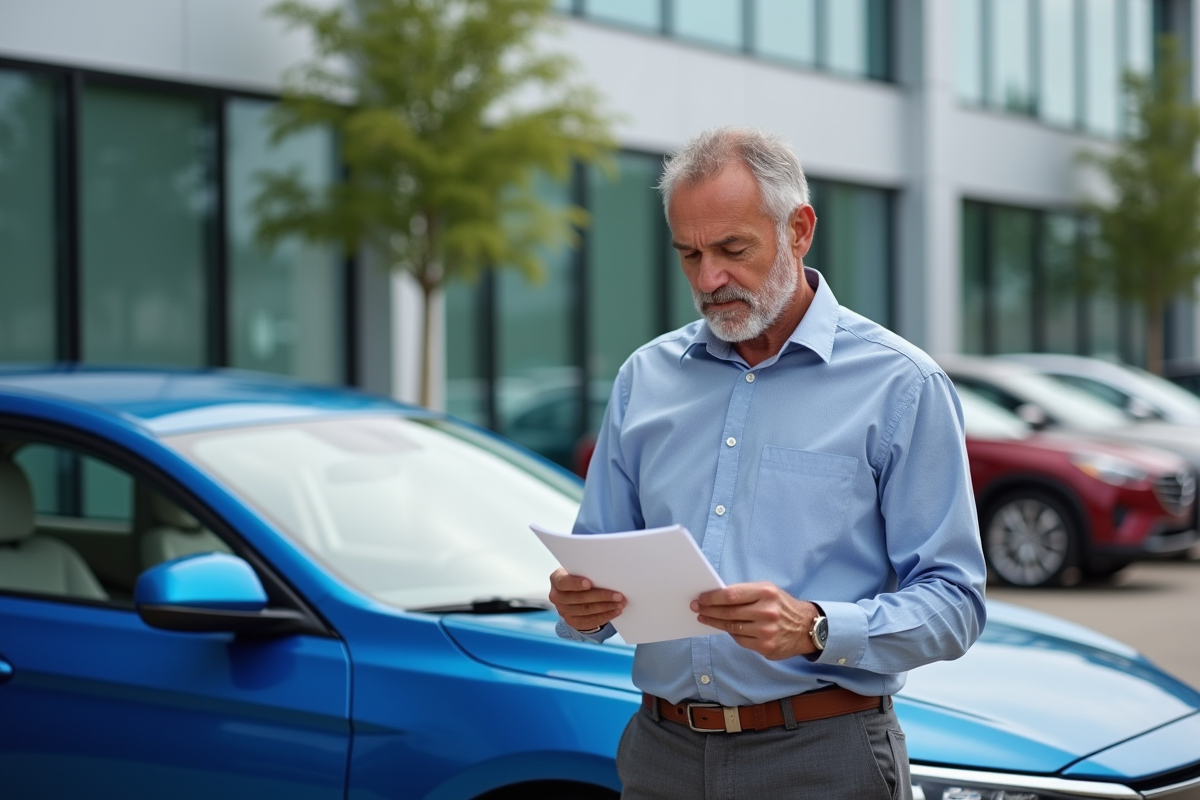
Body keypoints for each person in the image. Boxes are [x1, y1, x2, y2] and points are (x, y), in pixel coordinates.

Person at [547, 127, 987, 800]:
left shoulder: (901, 385)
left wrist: (815, 628)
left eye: (732, 249)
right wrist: (582, 605)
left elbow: (955, 603)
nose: (708, 278)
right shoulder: (645, 378)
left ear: (799, 229)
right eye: (689, 254)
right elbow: (601, 569)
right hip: (659, 755)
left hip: (822, 759)